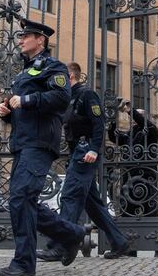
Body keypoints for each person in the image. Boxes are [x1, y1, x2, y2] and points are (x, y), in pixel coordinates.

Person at [0, 19, 85, 276]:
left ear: (40, 40)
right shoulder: (23, 73)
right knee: (22, 201)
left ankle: (23, 263)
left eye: (26, 36)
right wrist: (7, 113)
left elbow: (60, 98)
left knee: (21, 199)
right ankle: (71, 234)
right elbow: (23, 111)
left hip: (40, 143)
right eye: (20, 36)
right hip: (23, 143)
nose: (20, 40)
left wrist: (26, 99)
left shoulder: (53, 67)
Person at [37, 62, 131, 262]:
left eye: (60, 78)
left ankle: (60, 246)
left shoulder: (87, 95)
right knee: (94, 205)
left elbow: (99, 123)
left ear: (70, 76)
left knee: (69, 197)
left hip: (85, 152)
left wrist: (93, 149)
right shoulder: (68, 98)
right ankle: (119, 242)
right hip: (76, 153)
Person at [107, 106, 158, 217]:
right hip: (128, 176)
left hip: (145, 176)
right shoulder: (128, 135)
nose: (132, 119)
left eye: (135, 117)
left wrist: (130, 110)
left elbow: (145, 124)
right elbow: (113, 137)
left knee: (149, 209)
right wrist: (112, 121)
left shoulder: (151, 132)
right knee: (127, 209)